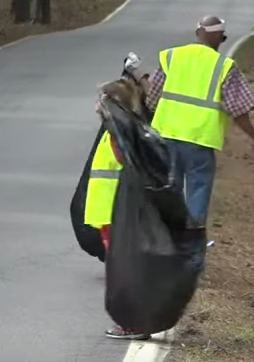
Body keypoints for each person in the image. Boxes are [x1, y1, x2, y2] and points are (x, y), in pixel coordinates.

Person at [144, 15, 254, 228]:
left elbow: (152, 99)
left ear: (197, 34)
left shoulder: (172, 57)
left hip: (166, 135)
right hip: (199, 140)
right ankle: (192, 242)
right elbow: (239, 110)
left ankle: (166, 237)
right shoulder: (224, 66)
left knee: (169, 188)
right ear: (220, 37)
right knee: (198, 190)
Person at [88, 55, 154, 340]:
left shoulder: (121, 136)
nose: (95, 106)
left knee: (123, 273)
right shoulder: (121, 132)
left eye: (100, 101)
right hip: (112, 215)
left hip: (117, 215)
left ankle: (133, 323)